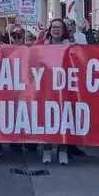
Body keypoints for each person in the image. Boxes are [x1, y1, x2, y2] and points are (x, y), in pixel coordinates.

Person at [40, 19, 71, 165]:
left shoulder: (71, 46)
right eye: (53, 27)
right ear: (50, 29)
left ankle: (62, 150)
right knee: (48, 118)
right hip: (47, 87)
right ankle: (47, 150)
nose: (56, 30)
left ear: (63, 30)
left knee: (64, 118)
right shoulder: (42, 44)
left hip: (64, 87)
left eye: (59, 27)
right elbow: (26, 51)